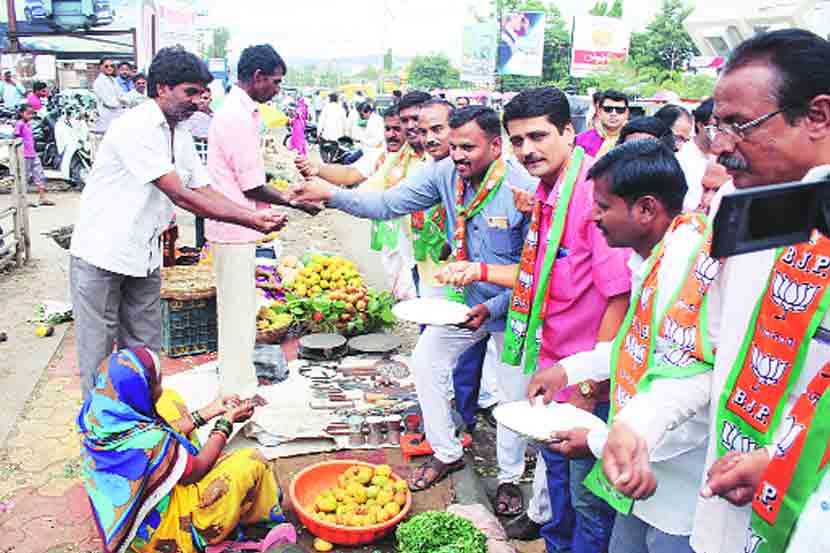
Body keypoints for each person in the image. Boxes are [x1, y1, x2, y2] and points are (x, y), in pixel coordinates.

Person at [598, 29, 830, 553]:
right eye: (715, 126)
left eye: (739, 126)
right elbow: (711, 359)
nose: (720, 146)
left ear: (817, 116)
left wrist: (786, 463)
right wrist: (638, 425)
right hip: (726, 520)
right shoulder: (745, 214)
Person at [287, 106, 537, 498]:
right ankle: (446, 451)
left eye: (467, 147)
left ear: (495, 145)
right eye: (453, 147)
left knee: (510, 398)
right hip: (464, 304)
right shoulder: (444, 173)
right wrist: (331, 195)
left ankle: (508, 479)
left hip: (515, 309)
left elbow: (536, 271)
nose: (457, 156)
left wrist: (495, 308)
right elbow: (386, 205)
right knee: (426, 360)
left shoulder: (523, 189)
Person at [441, 87, 632, 547]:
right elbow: (539, 275)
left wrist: (590, 386)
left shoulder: (592, 197)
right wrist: (484, 281)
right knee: (559, 489)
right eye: (518, 140)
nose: (527, 150)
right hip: (553, 369)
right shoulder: (547, 193)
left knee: (588, 506)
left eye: (539, 136)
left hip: (589, 383)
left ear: (569, 132)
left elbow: (619, 297)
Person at [528, 139, 719, 553]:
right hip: (642, 476)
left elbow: (692, 382)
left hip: (679, 489)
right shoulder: (652, 258)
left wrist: (596, 443)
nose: (592, 216)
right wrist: (569, 370)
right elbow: (635, 347)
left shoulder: (683, 268)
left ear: (646, 209)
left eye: (602, 205)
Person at [69, 46, 287, 401]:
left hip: (144, 256)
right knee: (99, 358)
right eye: (190, 92)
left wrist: (252, 218)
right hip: (101, 256)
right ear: (161, 89)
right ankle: (99, 441)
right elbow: (182, 196)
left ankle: (145, 428)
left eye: (201, 92)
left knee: (145, 354)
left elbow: (204, 189)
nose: (198, 101)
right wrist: (250, 217)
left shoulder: (179, 133)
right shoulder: (135, 127)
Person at [79, 347, 292, 553]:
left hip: (126, 512)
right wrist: (226, 422)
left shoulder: (98, 414)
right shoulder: (151, 440)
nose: (160, 388)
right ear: (139, 392)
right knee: (251, 461)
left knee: (170, 401)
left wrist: (212, 410)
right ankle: (252, 529)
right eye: (155, 384)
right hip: (162, 536)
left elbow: (163, 430)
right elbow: (197, 470)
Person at [206, 44, 319, 396]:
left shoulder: (241, 112)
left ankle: (236, 382)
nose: (277, 89)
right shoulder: (237, 117)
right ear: (257, 77)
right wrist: (295, 201)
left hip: (235, 224)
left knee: (238, 311)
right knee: (238, 315)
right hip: (234, 226)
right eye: (275, 81)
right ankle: (237, 391)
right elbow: (252, 184)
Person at [676, 97, 718, 212]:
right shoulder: (682, 156)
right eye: (715, 127)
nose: (719, 132)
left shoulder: (726, 154)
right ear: (700, 126)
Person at [15, 105, 54, 207]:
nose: (30, 115)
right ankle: (23, 199)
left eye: (31, 113)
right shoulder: (19, 124)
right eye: (28, 113)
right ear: (21, 113)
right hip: (24, 155)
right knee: (25, 177)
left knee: (39, 174)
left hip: (32, 153)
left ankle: (42, 197)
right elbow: (16, 138)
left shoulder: (28, 124)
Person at [575, 90, 629, 159]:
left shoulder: (635, 139)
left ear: (627, 113)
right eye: (608, 109)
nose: (613, 114)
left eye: (620, 110)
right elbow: (574, 169)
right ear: (599, 112)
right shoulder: (581, 141)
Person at [93, 57, 128, 132]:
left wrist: (122, 101)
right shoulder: (99, 82)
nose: (109, 68)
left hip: (116, 116)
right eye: (106, 66)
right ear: (100, 67)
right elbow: (110, 103)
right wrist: (122, 103)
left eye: (111, 66)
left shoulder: (113, 80)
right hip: (107, 117)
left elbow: (122, 95)